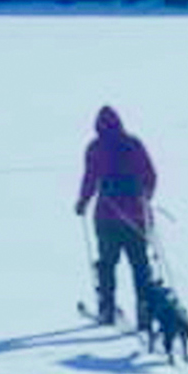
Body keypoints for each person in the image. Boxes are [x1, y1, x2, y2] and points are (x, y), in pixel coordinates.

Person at [75, 105, 160, 324]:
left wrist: (82, 203)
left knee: (107, 264)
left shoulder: (95, 148)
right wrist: (145, 197)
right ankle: (145, 311)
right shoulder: (133, 144)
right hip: (136, 216)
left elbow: (90, 179)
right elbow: (150, 174)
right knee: (140, 265)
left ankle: (107, 309)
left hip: (106, 216)